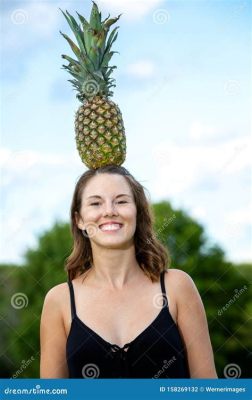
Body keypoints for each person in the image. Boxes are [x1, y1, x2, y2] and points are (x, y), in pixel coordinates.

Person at [40, 165, 217, 378]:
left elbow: (208, 388)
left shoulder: (177, 287)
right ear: (79, 220)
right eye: (96, 203)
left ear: (138, 212)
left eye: (121, 201)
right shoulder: (59, 301)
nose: (109, 211)